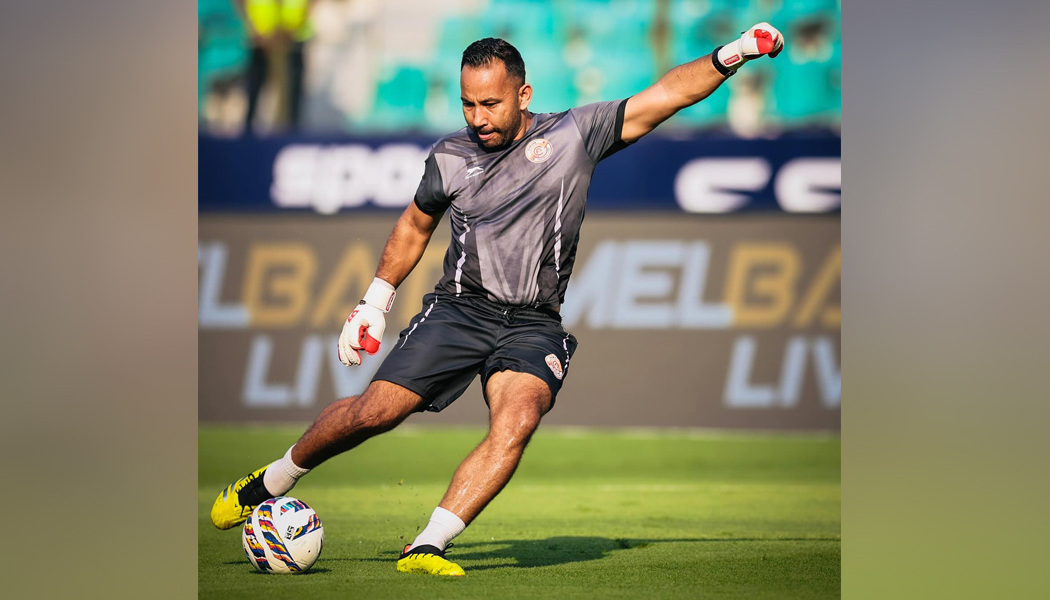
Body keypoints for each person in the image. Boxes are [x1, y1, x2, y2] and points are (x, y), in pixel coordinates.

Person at [210, 25, 785, 576]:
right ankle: (272, 480)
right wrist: (374, 303)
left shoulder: (575, 135)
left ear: (523, 95)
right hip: (460, 310)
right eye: (468, 104)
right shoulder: (449, 157)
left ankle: (427, 544)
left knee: (518, 418)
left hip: (534, 323)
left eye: (490, 103)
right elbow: (415, 224)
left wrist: (735, 52)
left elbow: (666, 96)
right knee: (374, 414)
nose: (478, 118)